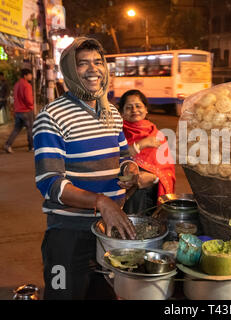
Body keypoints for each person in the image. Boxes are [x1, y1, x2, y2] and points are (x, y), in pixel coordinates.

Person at [33, 37, 143, 300]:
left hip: (108, 233)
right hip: (68, 237)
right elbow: (50, 183)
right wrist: (101, 201)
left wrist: (131, 170)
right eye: (83, 64)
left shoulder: (112, 113)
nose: (93, 69)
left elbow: (124, 155)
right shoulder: (51, 117)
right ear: (70, 71)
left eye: (98, 62)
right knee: (63, 295)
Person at [119, 89, 176, 214]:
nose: (134, 110)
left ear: (146, 109)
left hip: (148, 196)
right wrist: (142, 144)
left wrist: (154, 178)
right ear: (122, 112)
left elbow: (167, 170)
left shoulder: (157, 134)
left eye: (138, 106)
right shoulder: (117, 132)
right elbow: (115, 155)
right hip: (121, 191)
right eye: (129, 107)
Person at [4, 69, 34, 153]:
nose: (31, 76)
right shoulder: (26, 85)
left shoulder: (17, 84)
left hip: (18, 110)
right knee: (30, 129)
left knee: (16, 129)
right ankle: (31, 146)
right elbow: (28, 99)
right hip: (26, 110)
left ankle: (8, 145)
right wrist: (31, 106)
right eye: (30, 75)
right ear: (25, 76)